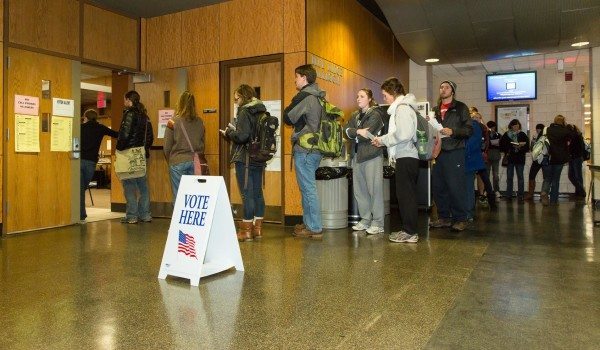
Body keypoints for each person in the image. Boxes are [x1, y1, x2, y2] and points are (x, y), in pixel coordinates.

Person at [365, 78, 420, 242]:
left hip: (406, 156)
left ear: (392, 92)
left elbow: (403, 134)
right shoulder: (406, 107)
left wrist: (382, 140)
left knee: (406, 196)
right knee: (406, 195)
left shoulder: (402, 108)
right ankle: (409, 231)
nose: (384, 98)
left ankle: (410, 232)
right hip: (408, 156)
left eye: (384, 94)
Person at [283, 64, 325, 239]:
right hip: (315, 149)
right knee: (307, 188)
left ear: (304, 78)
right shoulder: (319, 96)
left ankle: (314, 227)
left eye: (297, 76)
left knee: (308, 189)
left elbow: (287, 116)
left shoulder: (306, 96)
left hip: (305, 149)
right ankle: (309, 224)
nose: (295, 80)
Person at [222, 84, 268, 242]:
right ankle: (258, 228)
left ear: (243, 97)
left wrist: (229, 132)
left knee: (247, 194)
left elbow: (242, 137)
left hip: (245, 158)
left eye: (237, 99)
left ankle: (246, 231)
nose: (236, 102)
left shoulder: (244, 111)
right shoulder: (261, 109)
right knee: (257, 194)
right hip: (259, 157)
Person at [429, 81, 473, 232]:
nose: (443, 89)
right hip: (438, 152)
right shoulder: (434, 110)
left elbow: (468, 130)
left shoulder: (460, 107)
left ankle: (461, 218)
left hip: (455, 151)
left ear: (453, 91)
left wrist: (453, 131)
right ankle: (444, 218)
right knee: (439, 186)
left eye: (447, 87)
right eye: (441, 87)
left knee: (456, 186)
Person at [344, 89, 385, 235]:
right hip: (357, 157)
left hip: (371, 156)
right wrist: (357, 131)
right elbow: (345, 130)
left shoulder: (376, 115)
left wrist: (355, 133)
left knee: (374, 190)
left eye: (362, 96)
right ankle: (365, 219)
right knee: (360, 191)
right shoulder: (355, 115)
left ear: (370, 99)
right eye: (357, 96)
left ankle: (378, 222)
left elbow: (366, 135)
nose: (358, 98)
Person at [116, 90, 154, 224]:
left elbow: (124, 135)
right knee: (143, 186)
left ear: (128, 100)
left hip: (128, 156)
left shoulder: (129, 114)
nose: (124, 102)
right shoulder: (145, 116)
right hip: (140, 156)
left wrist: (119, 148)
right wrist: (144, 149)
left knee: (129, 185)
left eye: (124, 99)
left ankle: (132, 216)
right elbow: (150, 137)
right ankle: (145, 215)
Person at [163, 91, 205, 200]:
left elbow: (167, 146)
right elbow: (202, 143)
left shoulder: (172, 122)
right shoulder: (200, 122)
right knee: (194, 195)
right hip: (195, 161)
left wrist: (171, 160)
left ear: (180, 103)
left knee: (179, 196)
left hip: (177, 162)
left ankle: (179, 217)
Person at [80, 109, 118, 223]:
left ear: (85, 117)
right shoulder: (100, 128)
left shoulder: (80, 128)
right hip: (91, 163)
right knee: (83, 187)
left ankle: (81, 214)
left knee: (80, 189)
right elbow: (116, 134)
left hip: (79, 161)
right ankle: (81, 214)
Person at [465, 112, 496, 216]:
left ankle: (492, 203)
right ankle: (473, 206)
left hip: (480, 157)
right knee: (473, 182)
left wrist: (484, 151)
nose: (476, 119)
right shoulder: (477, 128)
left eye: (478, 117)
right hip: (476, 157)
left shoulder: (483, 129)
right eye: (474, 117)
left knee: (485, 181)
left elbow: (486, 142)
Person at [541, 115, 572, 205]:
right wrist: (566, 126)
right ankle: (553, 201)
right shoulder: (565, 131)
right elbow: (572, 138)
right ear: (563, 121)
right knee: (555, 180)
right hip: (559, 159)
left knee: (547, 178)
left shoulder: (547, 129)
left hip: (548, 157)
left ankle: (544, 192)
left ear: (554, 121)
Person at [500, 119, 529, 201]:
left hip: (520, 158)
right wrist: (511, 146)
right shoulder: (506, 134)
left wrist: (520, 147)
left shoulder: (522, 134)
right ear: (511, 126)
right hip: (510, 158)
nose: (516, 127)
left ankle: (521, 195)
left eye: (517, 125)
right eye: (514, 125)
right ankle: (508, 195)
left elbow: (527, 147)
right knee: (509, 177)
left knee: (520, 177)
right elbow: (502, 146)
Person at [524, 123, 545, 200]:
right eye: (537, 129)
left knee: (545, 177)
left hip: (543, 159)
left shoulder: (545, 137)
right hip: (536, 160)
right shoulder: (535, 137)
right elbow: (531, 148)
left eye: (539, 129)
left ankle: (544, 194)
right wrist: (533, 141)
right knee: (531, 176)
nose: (537, 131)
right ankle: (530, 193)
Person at [567, 124, 586, 199]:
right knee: (575, 176)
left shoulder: (575, 136)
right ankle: (579, 191)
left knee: (575, 176)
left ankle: (581, 192)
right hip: (575, 158)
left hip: (576, 158)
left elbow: (574, 149)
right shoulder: (577, 135)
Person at [486, 120, 502, 194]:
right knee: (487, 174)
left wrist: (499, 145)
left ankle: (496, 190)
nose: (492, 129)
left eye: (493, 127)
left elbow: (502, 145)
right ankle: (487, 190)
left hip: (496, 155)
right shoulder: (485, 135)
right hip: (487, 156)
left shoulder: (498, 135)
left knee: (495, 175)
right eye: (491, 127)